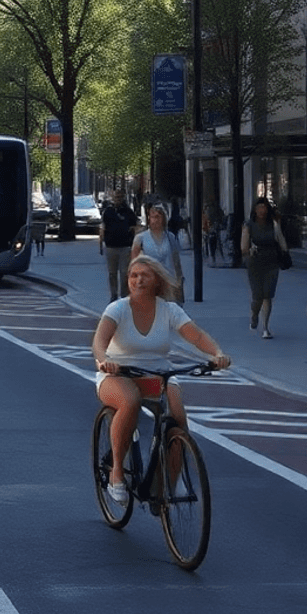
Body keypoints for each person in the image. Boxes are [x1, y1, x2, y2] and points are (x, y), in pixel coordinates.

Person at [91, 255, 231, 505]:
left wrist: (217, 354)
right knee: (130, 401)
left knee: (178, 420)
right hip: (118, 373)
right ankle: (116, 474)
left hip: (158, 374)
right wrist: (104, 361)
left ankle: (169, 480)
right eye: (133, 275)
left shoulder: (169, 310)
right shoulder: (117, 309)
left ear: (157, 280)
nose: (138, 280)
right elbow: (99, 342)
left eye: (145, 275)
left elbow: (197, 336)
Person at [241, 196, 287, 340]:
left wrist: (285, 251)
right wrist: (248, 251)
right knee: (258, 296)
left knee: (268, 295)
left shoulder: (273, 224)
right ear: (255, 210)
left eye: (264, 207)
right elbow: (243, 246)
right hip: (255, 263)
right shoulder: (249, 225)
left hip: (271, 262)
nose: (262, 210)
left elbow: (281, 240)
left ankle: (265, 327)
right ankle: (254, 314)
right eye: (259, 207)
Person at [130, 203, 184, 303]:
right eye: (153, 217)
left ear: (164, 219)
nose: (155, 220)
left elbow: (176, 260)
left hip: (169, 281)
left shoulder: (170, 237)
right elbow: (134, 262)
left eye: (158, 217)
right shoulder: (141, 238)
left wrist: (179, 281)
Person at [99, 189, 138, 301]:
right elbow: (103, 227)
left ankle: (124, 296)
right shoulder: (108, 212)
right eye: (116, 197)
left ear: (123, 198)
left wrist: (135, 245)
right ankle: (114, 295)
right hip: (111, 246)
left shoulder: (128, 212)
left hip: (125, 246)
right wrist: (101, 243)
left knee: (124, 273)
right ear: (113, 198)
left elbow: (134, 228)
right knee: (112, 273)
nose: (118, 199)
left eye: (120, 197)